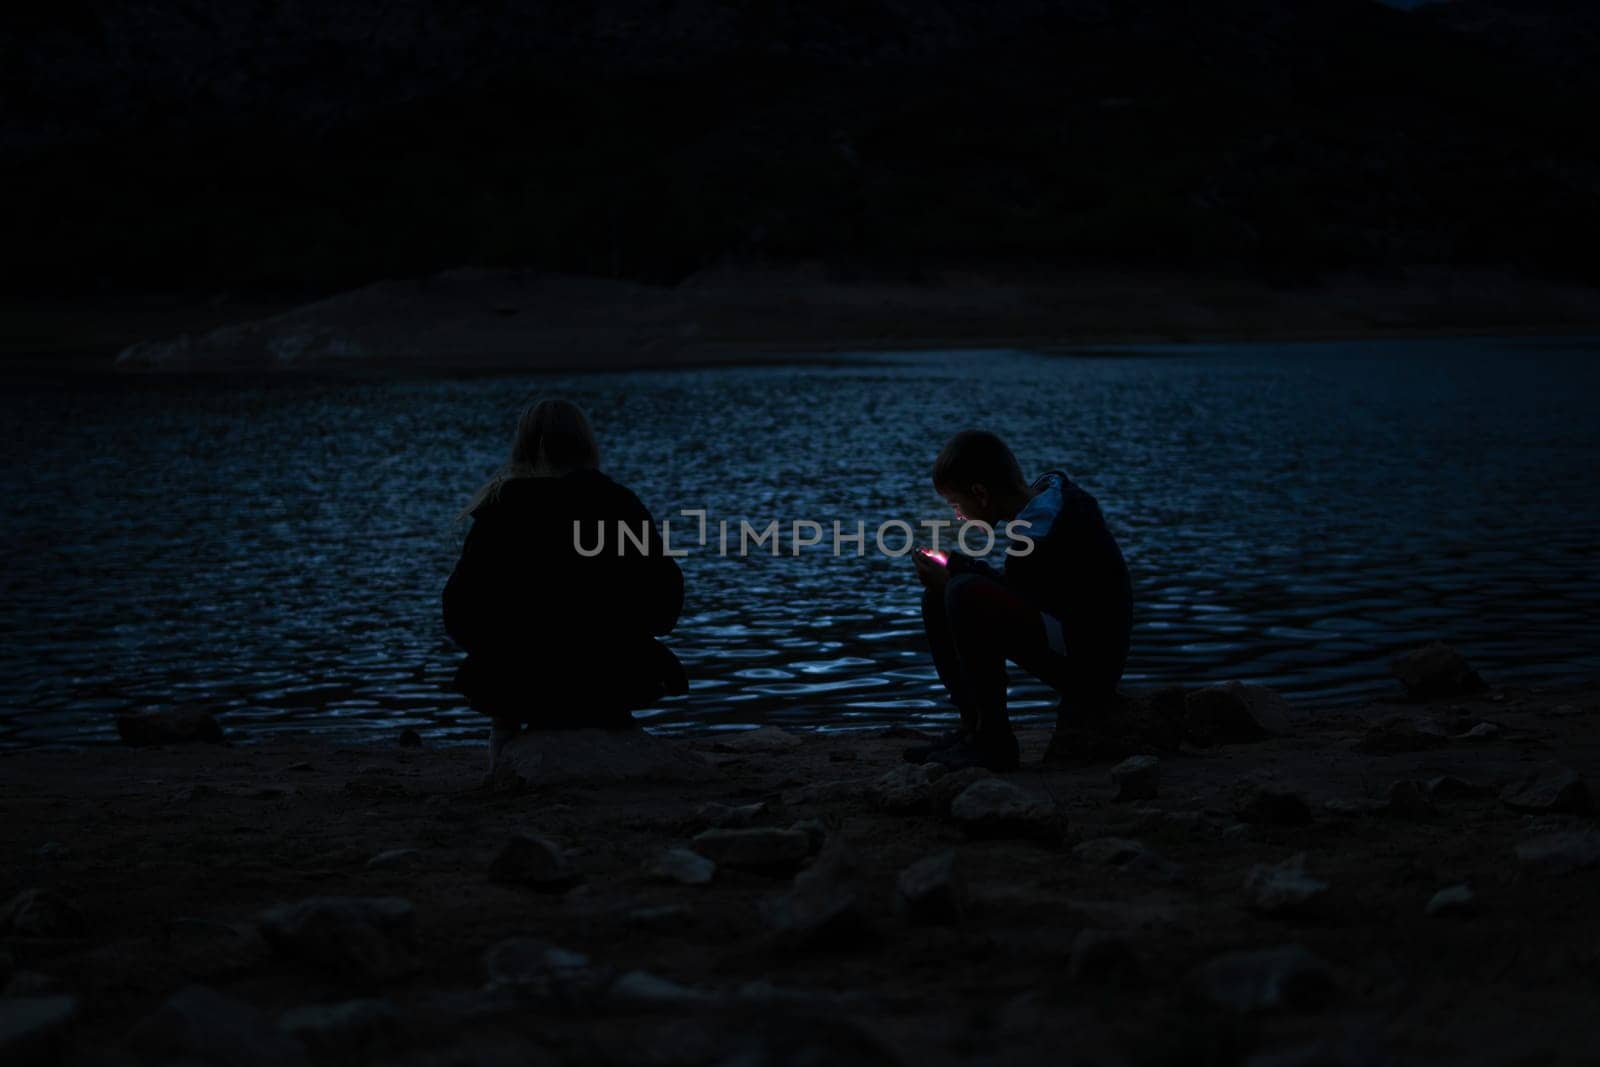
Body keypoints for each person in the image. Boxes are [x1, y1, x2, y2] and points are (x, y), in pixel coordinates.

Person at [443, 399, 687, 767]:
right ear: (586, 444)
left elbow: (460, 610)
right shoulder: (618, 504)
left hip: (519, 679)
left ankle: (505, 741)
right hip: (617, 671)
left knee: (505, 667)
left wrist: (501, 643)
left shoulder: (501, 510)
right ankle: (611, 722)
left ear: (526, 446)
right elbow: (665, 599)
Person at [908, 429, 1132, 771]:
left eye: (956, 505)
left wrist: (959, 578)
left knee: (961, 592)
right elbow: (1023, 592)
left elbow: (1018, 597)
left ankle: (993, 740)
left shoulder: (1041, 533)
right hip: (1067, 631)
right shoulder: (1050, 503)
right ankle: (973, 725)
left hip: (1089, 660)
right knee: (943, 594)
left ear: (980, 494)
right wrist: (959, 567)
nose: (957, 516)